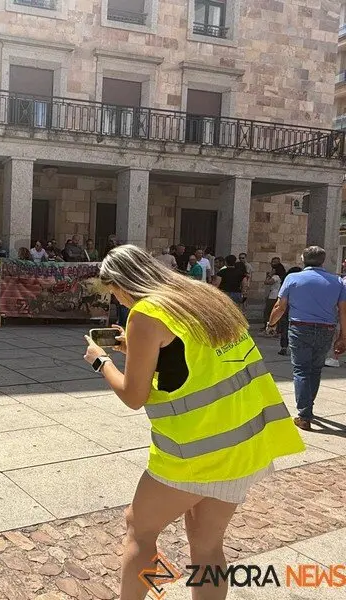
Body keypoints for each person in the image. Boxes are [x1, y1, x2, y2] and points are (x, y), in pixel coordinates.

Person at [83, 244, 304, 600]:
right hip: (242, 447)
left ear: (123, 283)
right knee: (206, 546)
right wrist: (137, 350)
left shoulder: (145, 313)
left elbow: (133, 396)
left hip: (192, 454)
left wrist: (100, 361)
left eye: (116, 294)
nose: (120, 302)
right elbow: (192, 360)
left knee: (139, 530)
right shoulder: (204, 296)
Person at [268, 246, 346, 430]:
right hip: (326, 329)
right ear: (323, 260)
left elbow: (280, 306)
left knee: (301, 370)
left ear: (303, 258)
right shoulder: (337, 281)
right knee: (315, 369)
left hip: (300, 327)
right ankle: (307, 406)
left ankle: (304, 415)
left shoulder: (293, 278)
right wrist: (343, 336)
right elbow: (343, 311)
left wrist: (271, 324)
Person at [263, 264, 284, 333]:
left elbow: (266, 282)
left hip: (273, 296)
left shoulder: (275, 277)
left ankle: (269, 328)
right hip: (277, 295)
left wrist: (269, 275)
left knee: (268, 312)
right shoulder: (281, 277)